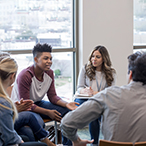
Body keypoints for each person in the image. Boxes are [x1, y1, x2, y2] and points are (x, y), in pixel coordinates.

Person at [60, 51, 146, 146]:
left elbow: (66, 123)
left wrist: (76, 141)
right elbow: (79, 87)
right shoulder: (87, 70)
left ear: (130, 74)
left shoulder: (109, 95)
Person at [11, 43, 79, 145]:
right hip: (22, 108)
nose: (49, 62)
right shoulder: (25, 75)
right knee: (39, 123)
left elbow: (52, 96)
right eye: (46, 58)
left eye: (50, 59)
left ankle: (68, 144)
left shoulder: (49, 73)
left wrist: (66, 104)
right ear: (36, 59)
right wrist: (48, 112)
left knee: (67, 112)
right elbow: (27, 105)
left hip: (37, 103)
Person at [0, 52, 53, 144]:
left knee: (28, 129)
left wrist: (14, 109)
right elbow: (8, 137)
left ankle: (46, 141)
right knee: (30, 130)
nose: (49, 62)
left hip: (11, 119)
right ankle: (47, 142)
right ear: (12, 76)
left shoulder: (4, 100)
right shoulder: (4, 101)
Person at [74, 45, 116, 145]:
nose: (94, 59)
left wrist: (98, 93)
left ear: (104, 59)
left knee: (99, 111)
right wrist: (84, 91)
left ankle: (106, 141)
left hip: (102, 99)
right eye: (93, 56)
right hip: (86, 99)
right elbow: (79, 87)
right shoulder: (85, 68)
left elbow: (111, 91)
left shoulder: (111, 72)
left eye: (97, 57)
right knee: (93, 111)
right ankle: (95, 142)